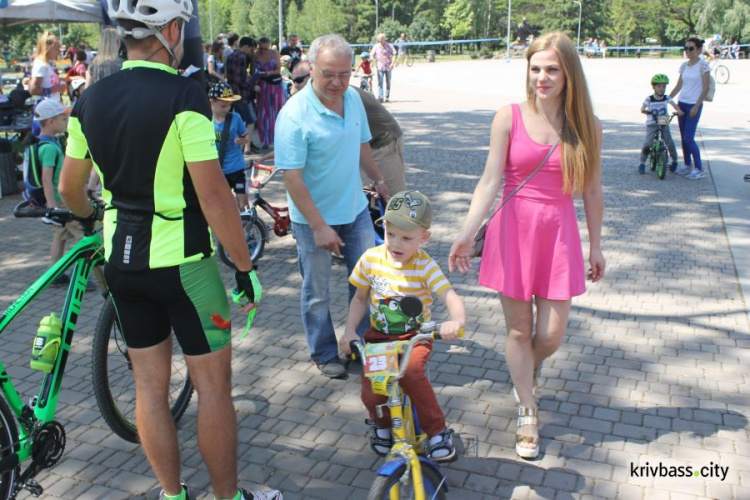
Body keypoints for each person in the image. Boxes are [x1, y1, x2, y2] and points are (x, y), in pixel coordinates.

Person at [57, 0, 280, 498]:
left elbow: (71, 189)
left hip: (122, 263)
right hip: (185, 267)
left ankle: (173, 495)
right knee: (213, 390)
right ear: (173, 30)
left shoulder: (89, 98)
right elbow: (214, 194)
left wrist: (95, 219)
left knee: (148, 390)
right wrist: (244, 267)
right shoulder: (186, 95)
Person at [448, 31, 605, 460]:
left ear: (569, 73)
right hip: (512, 232)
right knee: (518, 330)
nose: (542, 77)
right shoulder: (508, 117)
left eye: (552, 69)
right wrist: (465, 231)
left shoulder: (587, 127)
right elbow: (489, 181)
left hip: (558, 234)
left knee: (549, 336)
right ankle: (527, 410)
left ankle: (525, 370)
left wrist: (596, 246)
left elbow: (592, 191)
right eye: (535, 68)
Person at [274, 34, 389, 378]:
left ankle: (361, 343)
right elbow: (292, 179)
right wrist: (320, 226)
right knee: (317, 292)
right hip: (313, 221)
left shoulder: (352, 99)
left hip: (354, 212)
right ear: (310, 68)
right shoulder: (293, 115)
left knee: (368, 283)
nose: (337, 82)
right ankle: (323, 352)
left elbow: (362, 144)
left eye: (344, 73)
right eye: (328, 74)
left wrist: (379, 181)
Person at [339, 190, 466, 462]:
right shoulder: (372, 259)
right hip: (378, 339)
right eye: (390, 233)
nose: (396, 243)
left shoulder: (425, 266)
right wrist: (350, 331)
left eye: (406, 238)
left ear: (424, 238)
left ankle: (437, 432)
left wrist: (456, 321)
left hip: (415, 337)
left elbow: (449, 295)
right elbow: (359, 299)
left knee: (411, 373)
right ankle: (383, 426)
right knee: (372, 393)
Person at [33, 99, 83, 287]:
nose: (67, 122)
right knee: (84, 237)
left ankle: (55, 274)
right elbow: (47, 178)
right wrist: (53, 206)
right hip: (62, 203)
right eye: (63, 119)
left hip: (57, 202)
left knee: (59, 237)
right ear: (51, 121)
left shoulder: (45, 144)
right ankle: (91, 276)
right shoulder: (48, 148)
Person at [669, 37, 710, 180]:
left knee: (689, 138)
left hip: (694, 104)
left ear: (698, 50)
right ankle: (687, 164)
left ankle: (699, 168)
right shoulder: (684, 65)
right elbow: (679, 85)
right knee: (682, 137)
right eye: (686, 48)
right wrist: (667, 97)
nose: (688, 51)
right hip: (682, 103)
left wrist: (697, 106)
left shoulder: (703, 65)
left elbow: (706, 88)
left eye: (691, 48)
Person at [354, 86, 406, 194]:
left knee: (392, 201)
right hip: (360, 147)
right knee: (363, 196)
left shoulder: (341, 92)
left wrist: (378, 181)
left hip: (382, 142)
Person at [209, 82, 249, 210]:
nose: (227, 109)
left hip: (237, 168)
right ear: (212, 102)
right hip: (218, 171)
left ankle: (247, 228)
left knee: (243, 204)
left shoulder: (235, 118)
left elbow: (246, 136)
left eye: (229, 105)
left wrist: (242, 140)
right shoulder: (206, 121)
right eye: (223, 106)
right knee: (222, 206)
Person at [637, 74, 683, 175]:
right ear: (653, 87)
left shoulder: (666, 98)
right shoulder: (649, 99)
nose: (661, 89)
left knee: (669, 142)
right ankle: (642, 163)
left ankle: (675, 160)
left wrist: (679, 110)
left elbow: (674, 105)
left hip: (663, 120)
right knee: (648, 143)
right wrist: (646, 111)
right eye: (659, 86)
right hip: (652, 122)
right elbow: (642, 108)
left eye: (664, 86)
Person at [225, 36, 258, 155]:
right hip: (240, 94)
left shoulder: (230, 55)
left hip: (230, 93)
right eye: (251, 50)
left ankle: (236, 146)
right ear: (245, 47)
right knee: (250, 121)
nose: (252, 52)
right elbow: (240, 79)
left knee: (234, 120)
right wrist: (251, 85)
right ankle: (246, 147)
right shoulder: (242, 57)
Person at [253, 37, 286, 149]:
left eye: (265, 48)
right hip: (263, 87)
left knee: (279, 112)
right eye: (261, 48)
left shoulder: (274, 53)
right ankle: (266, 140)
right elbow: (253, 72)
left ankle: (280, 139)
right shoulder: (255, 55)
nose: (263, 51)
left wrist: (269, 73)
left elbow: (278, 70)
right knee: (264, 114)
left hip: (275, 86)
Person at [30, 31, 67, 101]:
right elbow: (33, 89)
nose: (59, 52)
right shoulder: (41, 65)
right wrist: (56, 89)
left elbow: (47, 82)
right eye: (56, 49)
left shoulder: (46, 64)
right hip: (46, 107)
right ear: (47, 47)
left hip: (51, 106)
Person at [371, 33, 395, 103]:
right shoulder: (376, 46)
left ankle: (387, 96)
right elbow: (371, 54)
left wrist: (392, 63)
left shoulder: (389, 46)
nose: (380, 40)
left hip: (388, 66)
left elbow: (394, 54)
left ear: (384, 39)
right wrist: (372, 61)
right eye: (379, 39)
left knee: (388, 82)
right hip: (380, 66)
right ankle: (381, 97)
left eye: (382, 38)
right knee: (380, 82)